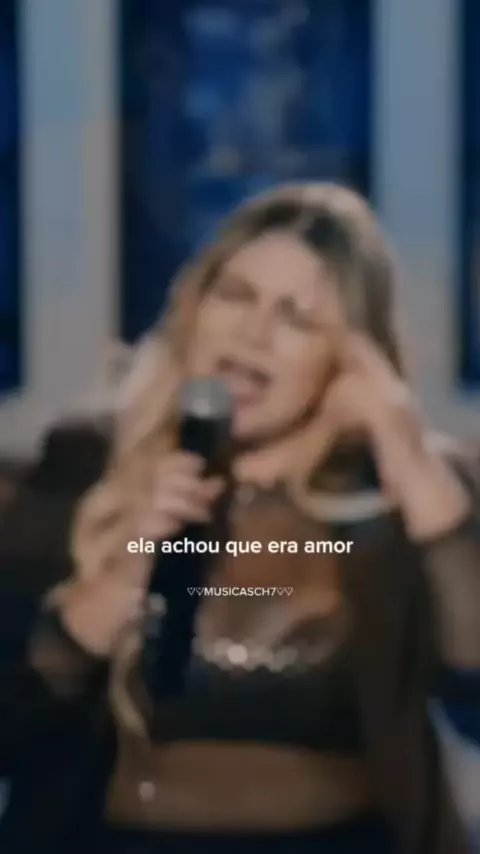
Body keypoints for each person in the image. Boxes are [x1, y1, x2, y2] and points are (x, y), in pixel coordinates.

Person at [1, 182, 479, 854]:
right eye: (236, 296)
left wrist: (410, 459)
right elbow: (13, 722)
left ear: (348, 359)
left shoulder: (398, 498)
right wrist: (121, 573)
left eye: (298, 319)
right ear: (193, 310)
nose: (254, 333)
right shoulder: (87, 465)